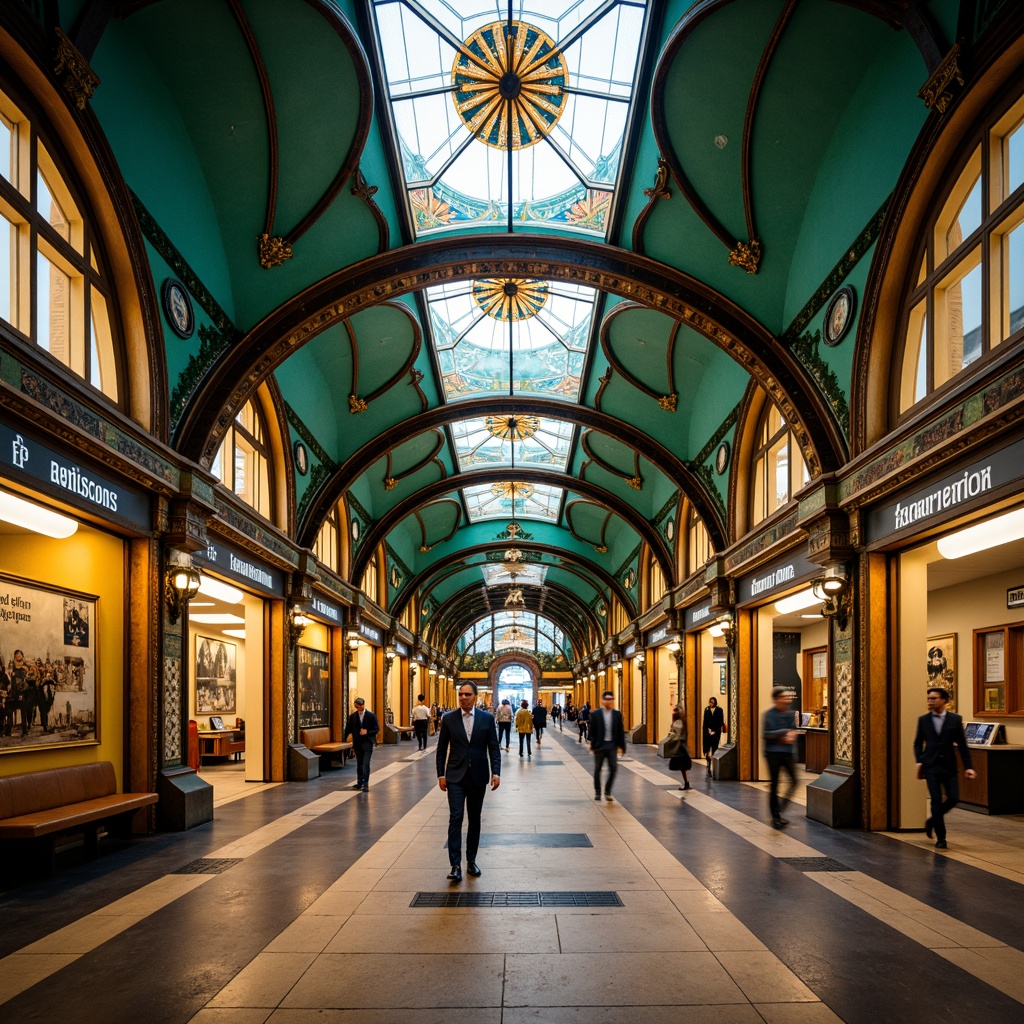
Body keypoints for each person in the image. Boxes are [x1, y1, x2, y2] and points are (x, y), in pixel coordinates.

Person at [436, 681, 501, 883]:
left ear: (475, 696)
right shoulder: (448, 719)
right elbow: (441, 749)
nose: (463, 697)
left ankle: (471, 861)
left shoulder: (487, 718)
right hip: (455, 776)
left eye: (467, 694)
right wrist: (441, 774)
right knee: (456, 817)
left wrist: (496, 772)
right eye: (460, 694)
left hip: (478, 776)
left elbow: (494, 748)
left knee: (474, 819)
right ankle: (455, 865)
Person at [914, 686, 976, 850]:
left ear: (944, 701)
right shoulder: (924, 720)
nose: (930, 701)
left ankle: (932, 820)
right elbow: (917, 743)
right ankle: (941, 838)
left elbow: (962, 746)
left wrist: (968, 767)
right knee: (935, 799)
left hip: (949, 766)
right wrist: (920, 760)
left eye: (934, 698)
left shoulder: (955, 720)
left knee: (953, 798)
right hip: (931, 766)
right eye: (929, 698)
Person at [763, 686, 799, 828]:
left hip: (787, 753)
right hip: (772, 754)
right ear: (777, 699)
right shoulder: (768, 715)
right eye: (783, 697)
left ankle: (780, 810)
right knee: (775, 785)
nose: (786, 700)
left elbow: (794, 731)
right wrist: (783, 733)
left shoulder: (790, 714)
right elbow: (766, 734)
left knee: (795, 781)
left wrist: (792, 735)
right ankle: (776, 816)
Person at [589, 690, 625, 802]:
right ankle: (598, 792)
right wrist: (593, 745)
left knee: (613, 768)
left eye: (611, 699)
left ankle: (608, 791)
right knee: (597, 769)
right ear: (602, 700)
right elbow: (591, 732)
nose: (609, 702)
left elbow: (620, 731)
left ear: (613, 701)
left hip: (612, 745)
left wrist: (621, 747)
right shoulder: (595, 714)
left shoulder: (617, 714)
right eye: (606, 699)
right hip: (600, 746)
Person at [343, 697, 379, 791]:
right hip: (357, 743)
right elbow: (348, 728)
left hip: (367, 742)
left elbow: (376, 728)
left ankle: (366, 783)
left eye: (360, 706)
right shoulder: (353, 717)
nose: (359, 708)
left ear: (363, 705)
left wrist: (367, 732)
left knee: (366, 763)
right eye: (357, 706)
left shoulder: (371, 716)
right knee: (359, 763)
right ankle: (360, 782)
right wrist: (344, 739)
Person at [668, 705, 692, 790]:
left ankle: (686, 783)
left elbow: (674, 735)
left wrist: (670, 736)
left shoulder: (677, 723)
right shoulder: (683, 722)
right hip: (683, 745)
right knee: (683, 766)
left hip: (679, 746)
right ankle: (686, 782)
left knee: (682, 766)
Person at [702, 696, 726, 777]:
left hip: (716, 732)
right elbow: (705, 721)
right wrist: (707, 729)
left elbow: (720, 721)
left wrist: (714, 730)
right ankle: (708, 765)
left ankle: (714, 766)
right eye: (710, 702)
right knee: (707, 749)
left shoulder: (719, 710)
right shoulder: (706, 710)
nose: (711, 704)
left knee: (714, 748)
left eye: (712, 702)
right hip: (707, 733)